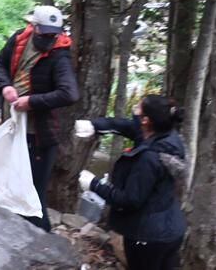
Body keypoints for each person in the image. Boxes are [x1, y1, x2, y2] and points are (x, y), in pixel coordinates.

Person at [0, 4, 79, 231]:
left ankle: (42, 239)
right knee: (12, 182)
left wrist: (31, 101)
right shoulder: (20, 39)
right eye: (45, 33)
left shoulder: (59, 54)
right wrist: (5, 86)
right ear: (34, 27)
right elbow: (0, 63)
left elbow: (69, 93)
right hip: (13, 124)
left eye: (54, 34)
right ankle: (15, 233)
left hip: (38, 132)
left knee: (34, 190)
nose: (49, 38)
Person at [76, 97, 187, 270]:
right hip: (171, 229)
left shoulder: (149, 158)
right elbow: (126, 126)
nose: (134, 108)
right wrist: (95, 125)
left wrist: (94, 184)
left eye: (138, 108)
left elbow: (129, 200)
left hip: (148, 237)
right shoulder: (169, 138)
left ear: (146, 120)